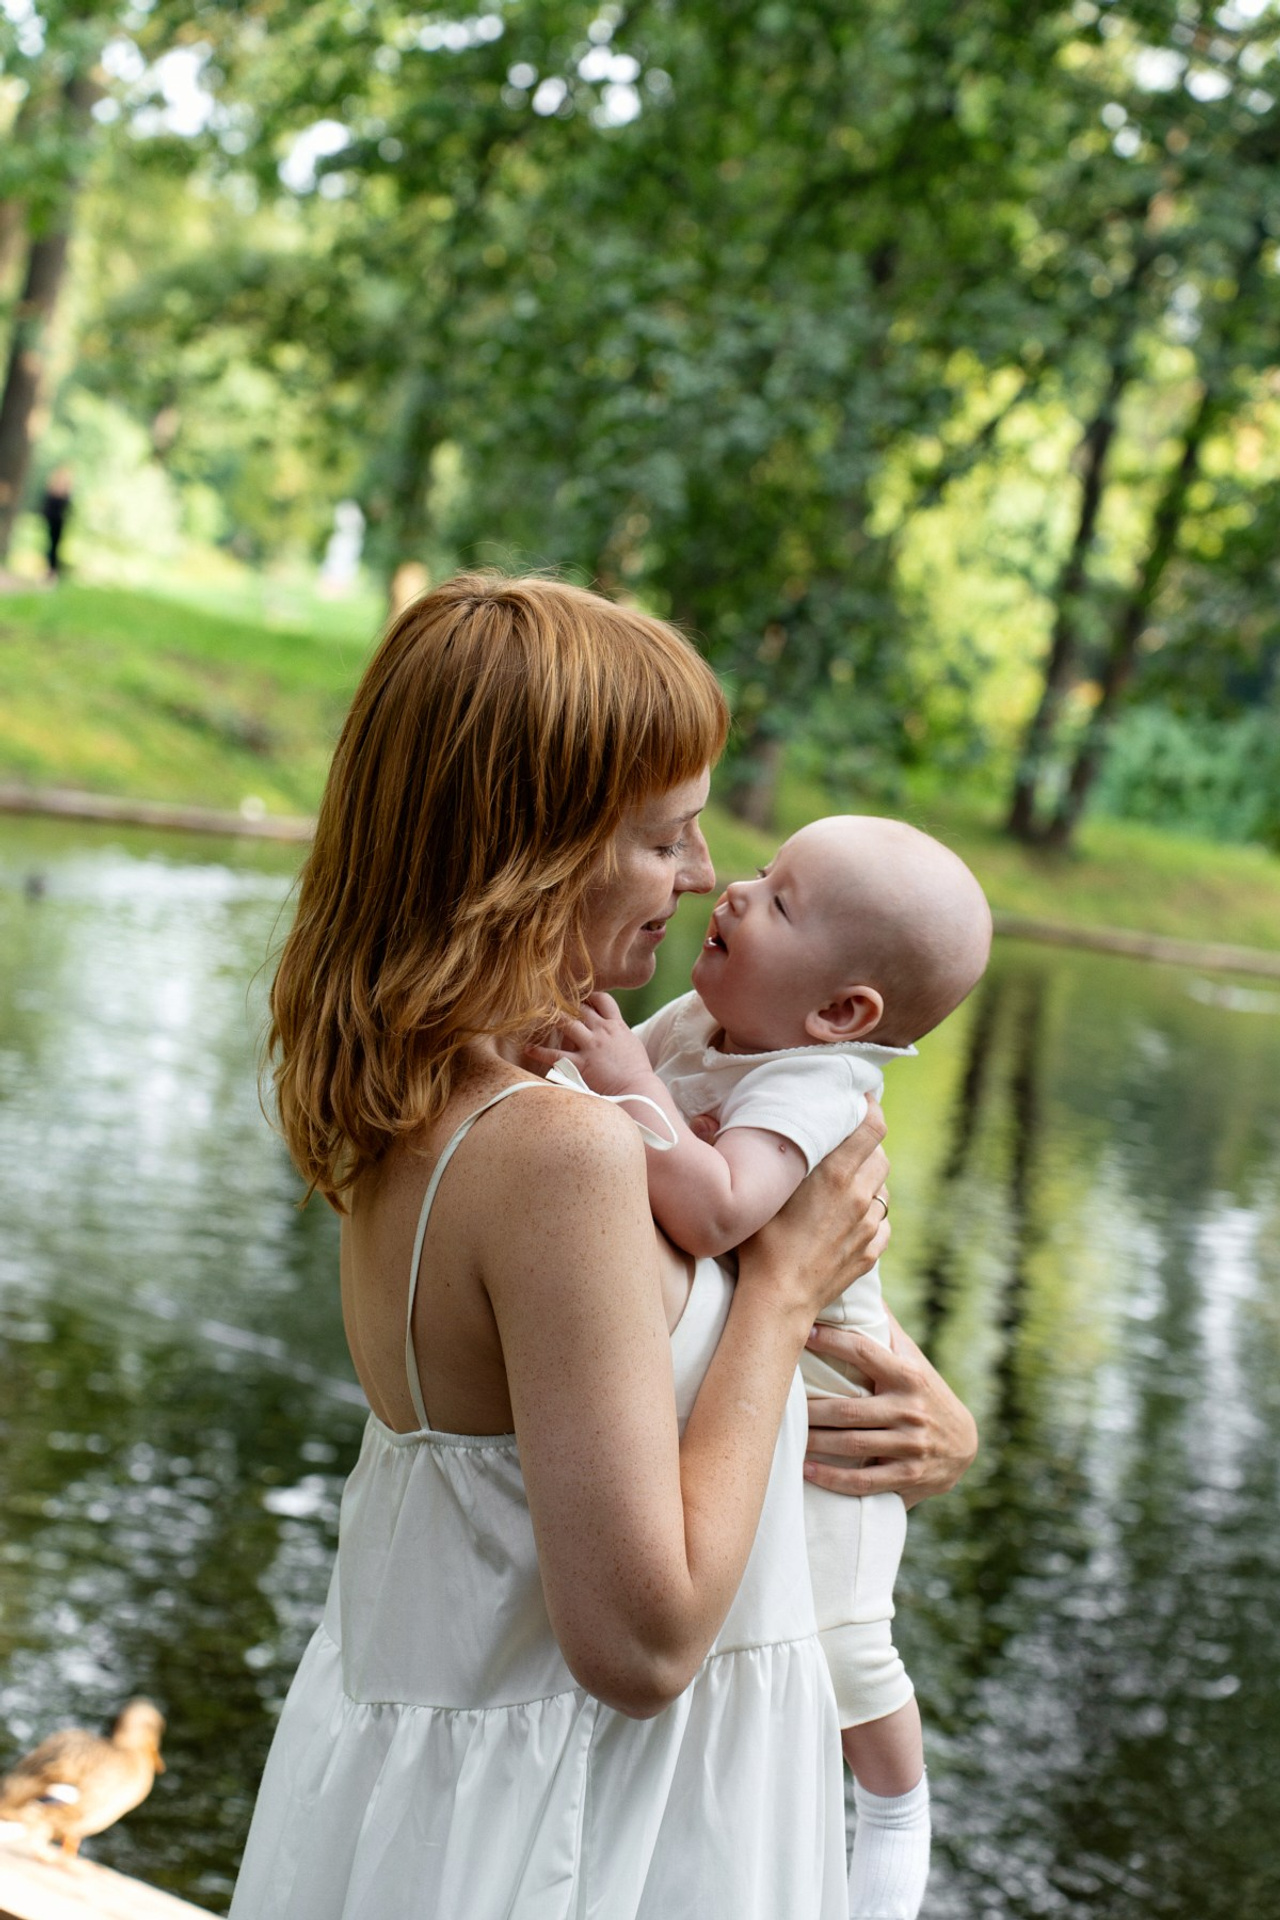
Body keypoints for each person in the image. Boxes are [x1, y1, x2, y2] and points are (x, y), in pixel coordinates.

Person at [228, 575, 977, 1920]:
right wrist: (782, 1297)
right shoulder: (555, 1149)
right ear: (539, 848)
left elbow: (638, 1354)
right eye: (666, 839)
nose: (702, 877)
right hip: (586, 1842)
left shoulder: (449, 1087)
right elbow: (644, 1640)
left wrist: (908, 1404)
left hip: (460, 1802)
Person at [541, 813, 992, 1920]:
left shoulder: (818, 1082)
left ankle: (893, 1810)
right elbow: (597, 1089)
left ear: (841, 1013)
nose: (729, 890)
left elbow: (714, 1210)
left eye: (778, 901)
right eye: (759, 873)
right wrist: (596, 1068)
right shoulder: (713, 1016)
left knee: (843, 1647)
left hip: (827, 1421)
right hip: (750, 1390)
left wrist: (620, 1086)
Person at [41, 467, 74, 580]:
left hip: (59, 523)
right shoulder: (52, 491)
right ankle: (49, 570)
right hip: (51, 521)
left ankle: (52, 572)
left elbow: (68, 509)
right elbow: (46, 507)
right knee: (49, 546)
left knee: (55, 547)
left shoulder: (66, 494)